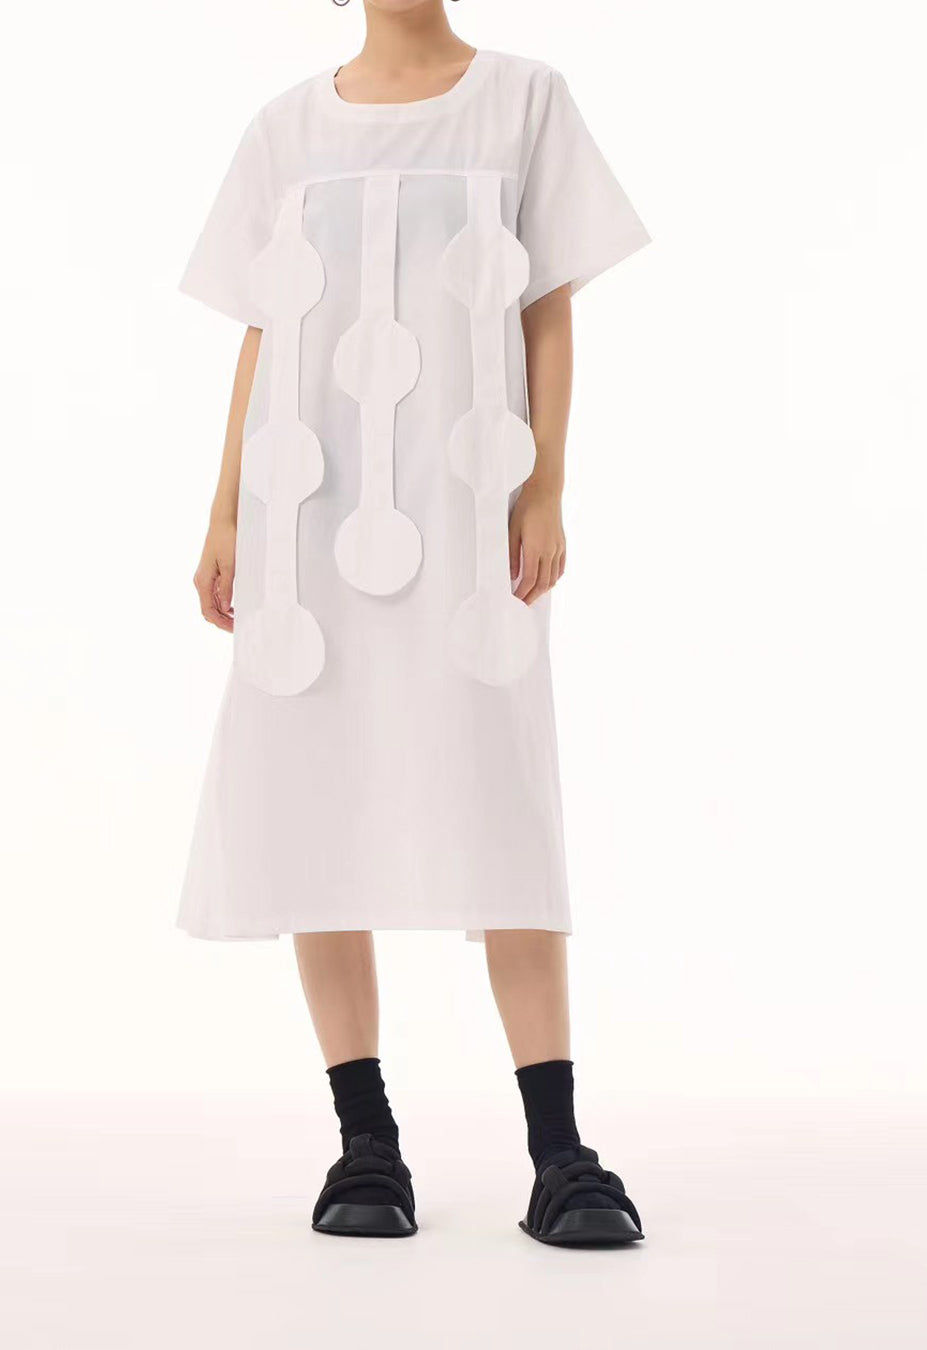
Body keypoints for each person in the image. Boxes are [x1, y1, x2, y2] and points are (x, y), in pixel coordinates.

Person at [178, 0, 650, 1246]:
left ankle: (560, 1152)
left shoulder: (523, 99)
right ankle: (366, 1143)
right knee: (317, 803)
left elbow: (548, 306)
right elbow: (264, 334)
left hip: (466, 513)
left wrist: (545, 486)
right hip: (307, 517)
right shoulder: (285, 128)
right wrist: (225, 511)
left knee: (504, 804)